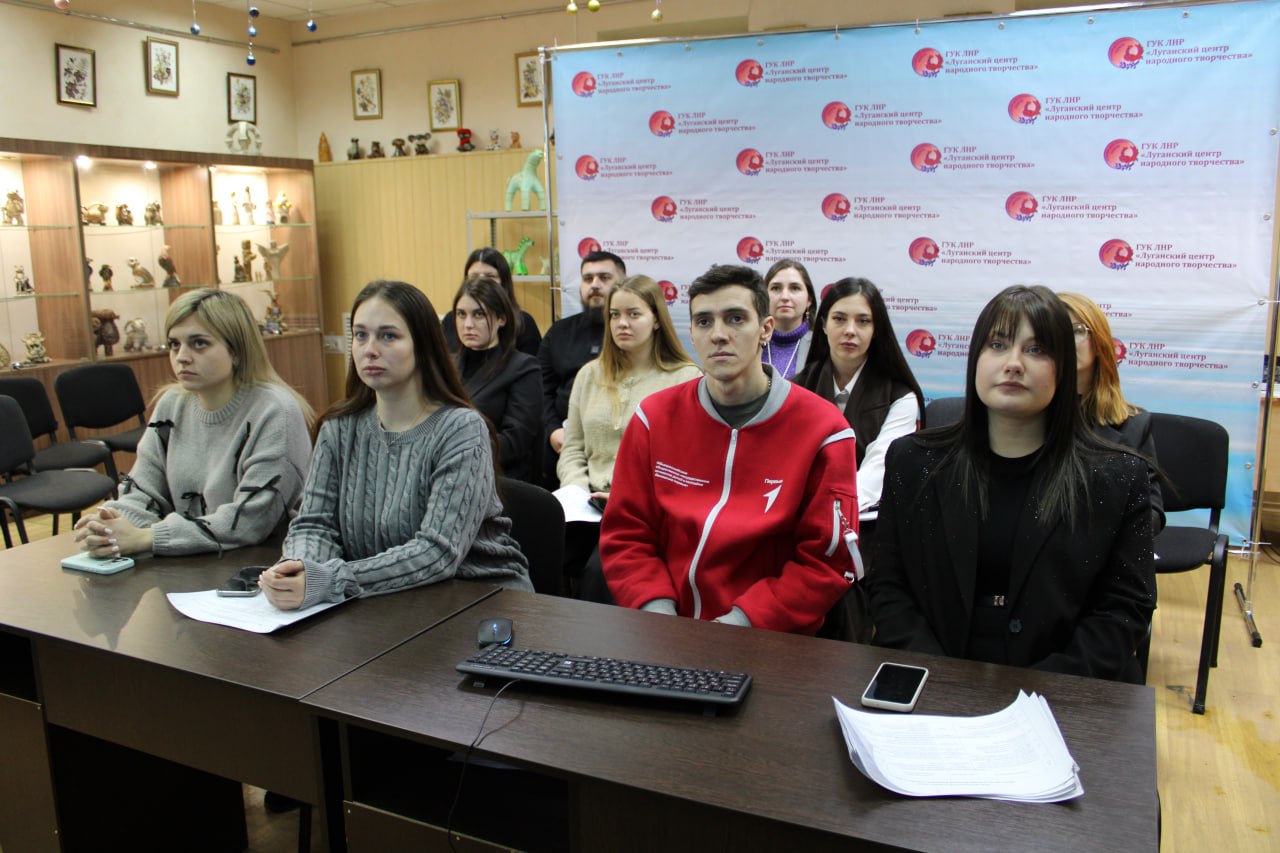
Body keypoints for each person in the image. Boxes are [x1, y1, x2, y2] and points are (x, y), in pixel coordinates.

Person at [867, 285, 1155, 682]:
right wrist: (940, 676)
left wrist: (1040, 688)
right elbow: (887, 585)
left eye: (1036, 350)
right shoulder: (912, 461)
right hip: (933, 676)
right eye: (998, 345)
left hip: (1066, 686)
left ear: (1064, 368)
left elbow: (1125, 608)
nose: (1014, 363)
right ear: (976, 359)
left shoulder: (1118, 477)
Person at [599, 264, 859, 634]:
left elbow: (826, 563)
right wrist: (656, 612)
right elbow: (626, 534)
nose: (718, 334)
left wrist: (738, 625)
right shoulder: (653, 418)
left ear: (766, 329)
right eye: (704, 322)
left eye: (735, 319)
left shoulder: (824, 430)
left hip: (764, 637)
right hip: (663, 629)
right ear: (692, 333)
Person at [260, 280, 531, 610]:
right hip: (383, 598)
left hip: (479, 598)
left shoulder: (461, 429)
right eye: (360, 335)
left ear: (423, 346)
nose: (370, 349)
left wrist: (330, 580)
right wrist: (301, 570)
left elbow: (438, 553)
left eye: (388, 336)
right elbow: (313, 524)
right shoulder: (338, 428)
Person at [72, 288, 312, 557]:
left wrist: (147, 537)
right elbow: (143, 490)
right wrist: (111, 523)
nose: (181, 357)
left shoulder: (275, 410)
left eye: (199, 343)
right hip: (188, 557)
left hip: (262, 561)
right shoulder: (171, 404)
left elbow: (251, 521)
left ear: (237, 351)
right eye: (174, 344)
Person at [557, 276, 701, 582]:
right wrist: (576, 490)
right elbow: (573, 447)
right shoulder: (589, 375)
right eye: (615, 315)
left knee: (599, 574)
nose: (622, 323)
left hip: (643, 511)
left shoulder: (685, 379)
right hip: (587, 503)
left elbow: (685, 464)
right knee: (543, 555)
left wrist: (626, 498)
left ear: (657, 320)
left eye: (634, 314)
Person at [794, 278, 924, 513]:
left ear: (875, 330)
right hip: (802, 513)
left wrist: (836, 507)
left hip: (869, 517)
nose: (850, 331)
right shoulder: (796, 390)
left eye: (863, 321)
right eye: (839, 319)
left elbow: (879, 466)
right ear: (823, 325)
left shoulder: (900, 397)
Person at [1058, 291, 1164, 533]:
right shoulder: (1022, 415)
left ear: (1099, 342)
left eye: (1076, 331)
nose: (1064, 341)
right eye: (1054, 333)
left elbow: (1152, 512)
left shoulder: (1134, 424)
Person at [537, 250, 625, 483]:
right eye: (588, 279)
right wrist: (552, 430)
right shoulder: (559, 332)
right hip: (562, 441)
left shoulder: (631, 334)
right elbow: (540, 389)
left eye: (604, 278)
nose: (594, 285)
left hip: (618, 445)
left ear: (622, 284)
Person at [452, 275, 541, 482]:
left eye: (479, 314)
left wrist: (456, 452)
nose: (468, 324)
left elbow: (515, 442)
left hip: (499, 479)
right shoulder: (446, 366)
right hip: (450, 474)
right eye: (461, 314)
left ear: (501, 319)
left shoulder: (523, 368)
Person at [443, 248, 542, 357]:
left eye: (490, 277)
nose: (481, 282)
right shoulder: (450, 320)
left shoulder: (523, 322)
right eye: (474, 277)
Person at [760, 259, 816, 379]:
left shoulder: (821, 346)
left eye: (795, 288)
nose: (785, 297)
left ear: (809, 300)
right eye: (776, 288)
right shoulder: (751, 342)